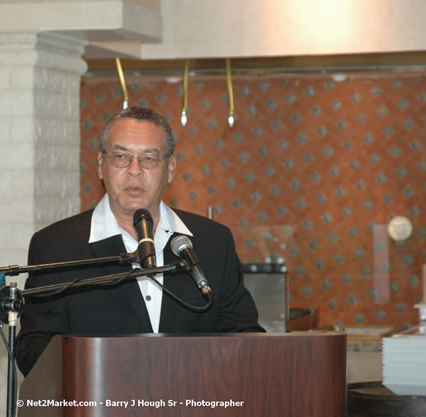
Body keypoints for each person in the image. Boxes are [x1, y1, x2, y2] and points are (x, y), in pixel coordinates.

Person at [15, 107, 264, 376]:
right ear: (101, 165)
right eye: (121, 156)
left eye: (149, 158)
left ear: (170, 168)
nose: (135, 171)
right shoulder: (56, 247)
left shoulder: (213, 242)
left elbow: (244, 336)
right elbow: (35, 350)